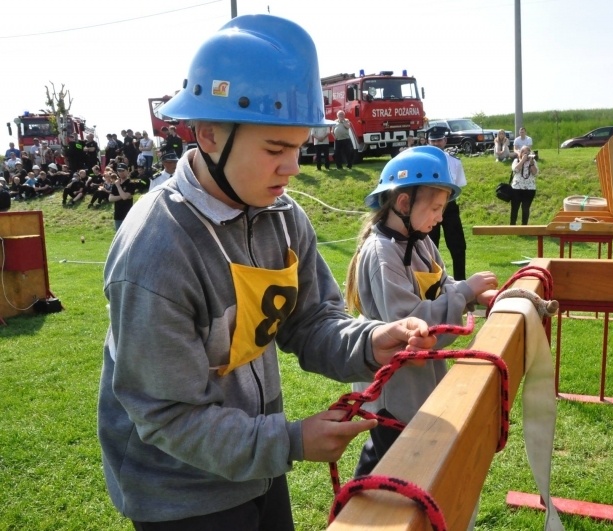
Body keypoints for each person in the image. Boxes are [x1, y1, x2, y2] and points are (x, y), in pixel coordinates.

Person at [97, 14, 436, 531]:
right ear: (209, 135)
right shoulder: (155, 250)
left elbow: (309, 319)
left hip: (257, 464)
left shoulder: (282, 216)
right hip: (180, 492)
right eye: (276, 149)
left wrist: (372, 341)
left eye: (299, 147)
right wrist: (290, 440)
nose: (293, 167)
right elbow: (166, 415)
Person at [345, 145, 498, 477]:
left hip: (418, 383)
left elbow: (442, 285)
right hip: (393, 388)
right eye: (435, 208)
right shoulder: (381, 254)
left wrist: (476, 297)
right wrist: (464, 292)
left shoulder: (422, 241)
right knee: (393, 462)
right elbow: (411, 324)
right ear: (404, 203)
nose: (440, 217)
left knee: (404, 458)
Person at [426, 126, 468, 281]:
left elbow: (458, 183)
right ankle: (431, 284)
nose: (436, 143)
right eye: (433, 141)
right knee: (429, 247)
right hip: (429, 206)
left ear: (445, 141)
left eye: (439, 140)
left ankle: (461, 283)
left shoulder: (454, 162)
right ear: (428, 142)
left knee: (458, 246)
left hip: (449, 205)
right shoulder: (423, 162)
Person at [509, 145, 539, 225]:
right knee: (515, 208)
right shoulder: (516, 160)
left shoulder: (533, 162)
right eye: (524, 152)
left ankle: (524, 227)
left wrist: (531, 163)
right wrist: (522, 161)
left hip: (529, 189)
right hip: (517, 188)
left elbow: (535, 173)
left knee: (525, 208)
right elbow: (515, 169)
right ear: (521, 153)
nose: (526, 154)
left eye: (528, 152)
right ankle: (512, 227)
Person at [107, 162, 136, 230]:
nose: (121, 172)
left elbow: (125, 197)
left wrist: (119, 187)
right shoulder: (115, 184)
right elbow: (110, 198)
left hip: (128, 215)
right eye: (119, 170)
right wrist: (122, 196)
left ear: (127, 171)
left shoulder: (130, 183)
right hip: (118, 215)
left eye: (123, 170)